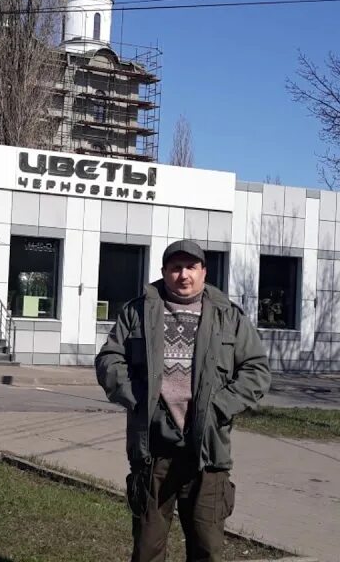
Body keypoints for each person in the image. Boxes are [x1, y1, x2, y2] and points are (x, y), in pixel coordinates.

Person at [95, 239, 271, 562]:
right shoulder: (138, 312)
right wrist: (138, 398)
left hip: (207, 453)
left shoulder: (227, 316)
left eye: (191, 267)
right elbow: (109, 359)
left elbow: (257, 370)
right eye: (175, 268)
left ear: (204, 272)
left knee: (207, 549)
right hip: (153, 453)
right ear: (164, 272)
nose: (183, 275)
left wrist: (220, 406)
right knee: (147, 550)